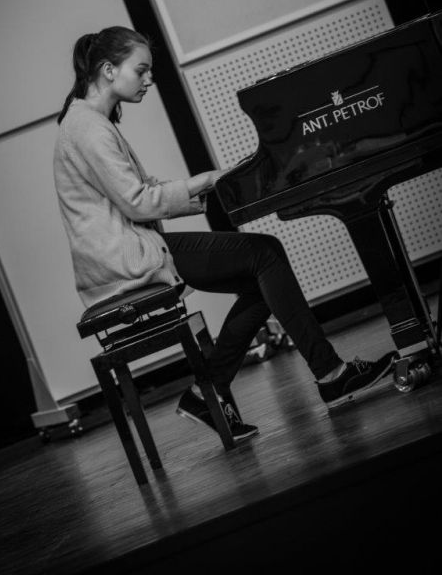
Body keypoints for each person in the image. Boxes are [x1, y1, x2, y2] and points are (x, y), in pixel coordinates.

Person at [53, 26, 395, 441]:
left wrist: (209, 183)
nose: (149, 79)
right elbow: (138, 202)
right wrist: (203, 182)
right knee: (265, 254)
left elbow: (137, 192)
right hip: (124, 259)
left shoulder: (88, 121)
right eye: (140, 70)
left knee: (263, 274)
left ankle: (212, 391)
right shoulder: (88, 127)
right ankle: (329, 375)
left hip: (130, 249)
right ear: (108, 69)